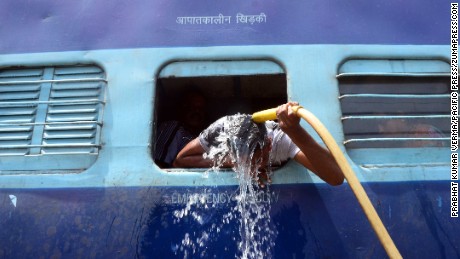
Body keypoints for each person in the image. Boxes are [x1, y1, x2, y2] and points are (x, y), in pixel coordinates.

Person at [173, 102, 344, 186]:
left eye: (255, 162)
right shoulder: (221, 129)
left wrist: (296, 131)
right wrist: (229, 162)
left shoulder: (280, 139)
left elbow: (336, 178)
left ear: (268, 146)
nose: (248, 169)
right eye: (242, 162)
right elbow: (180, 160)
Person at [154, 89, 207, 168]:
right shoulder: (173, 127)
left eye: (200, 109)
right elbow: (158, 166)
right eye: (191, 107)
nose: (196, 111)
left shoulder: (199, 136)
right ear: (182, 108)